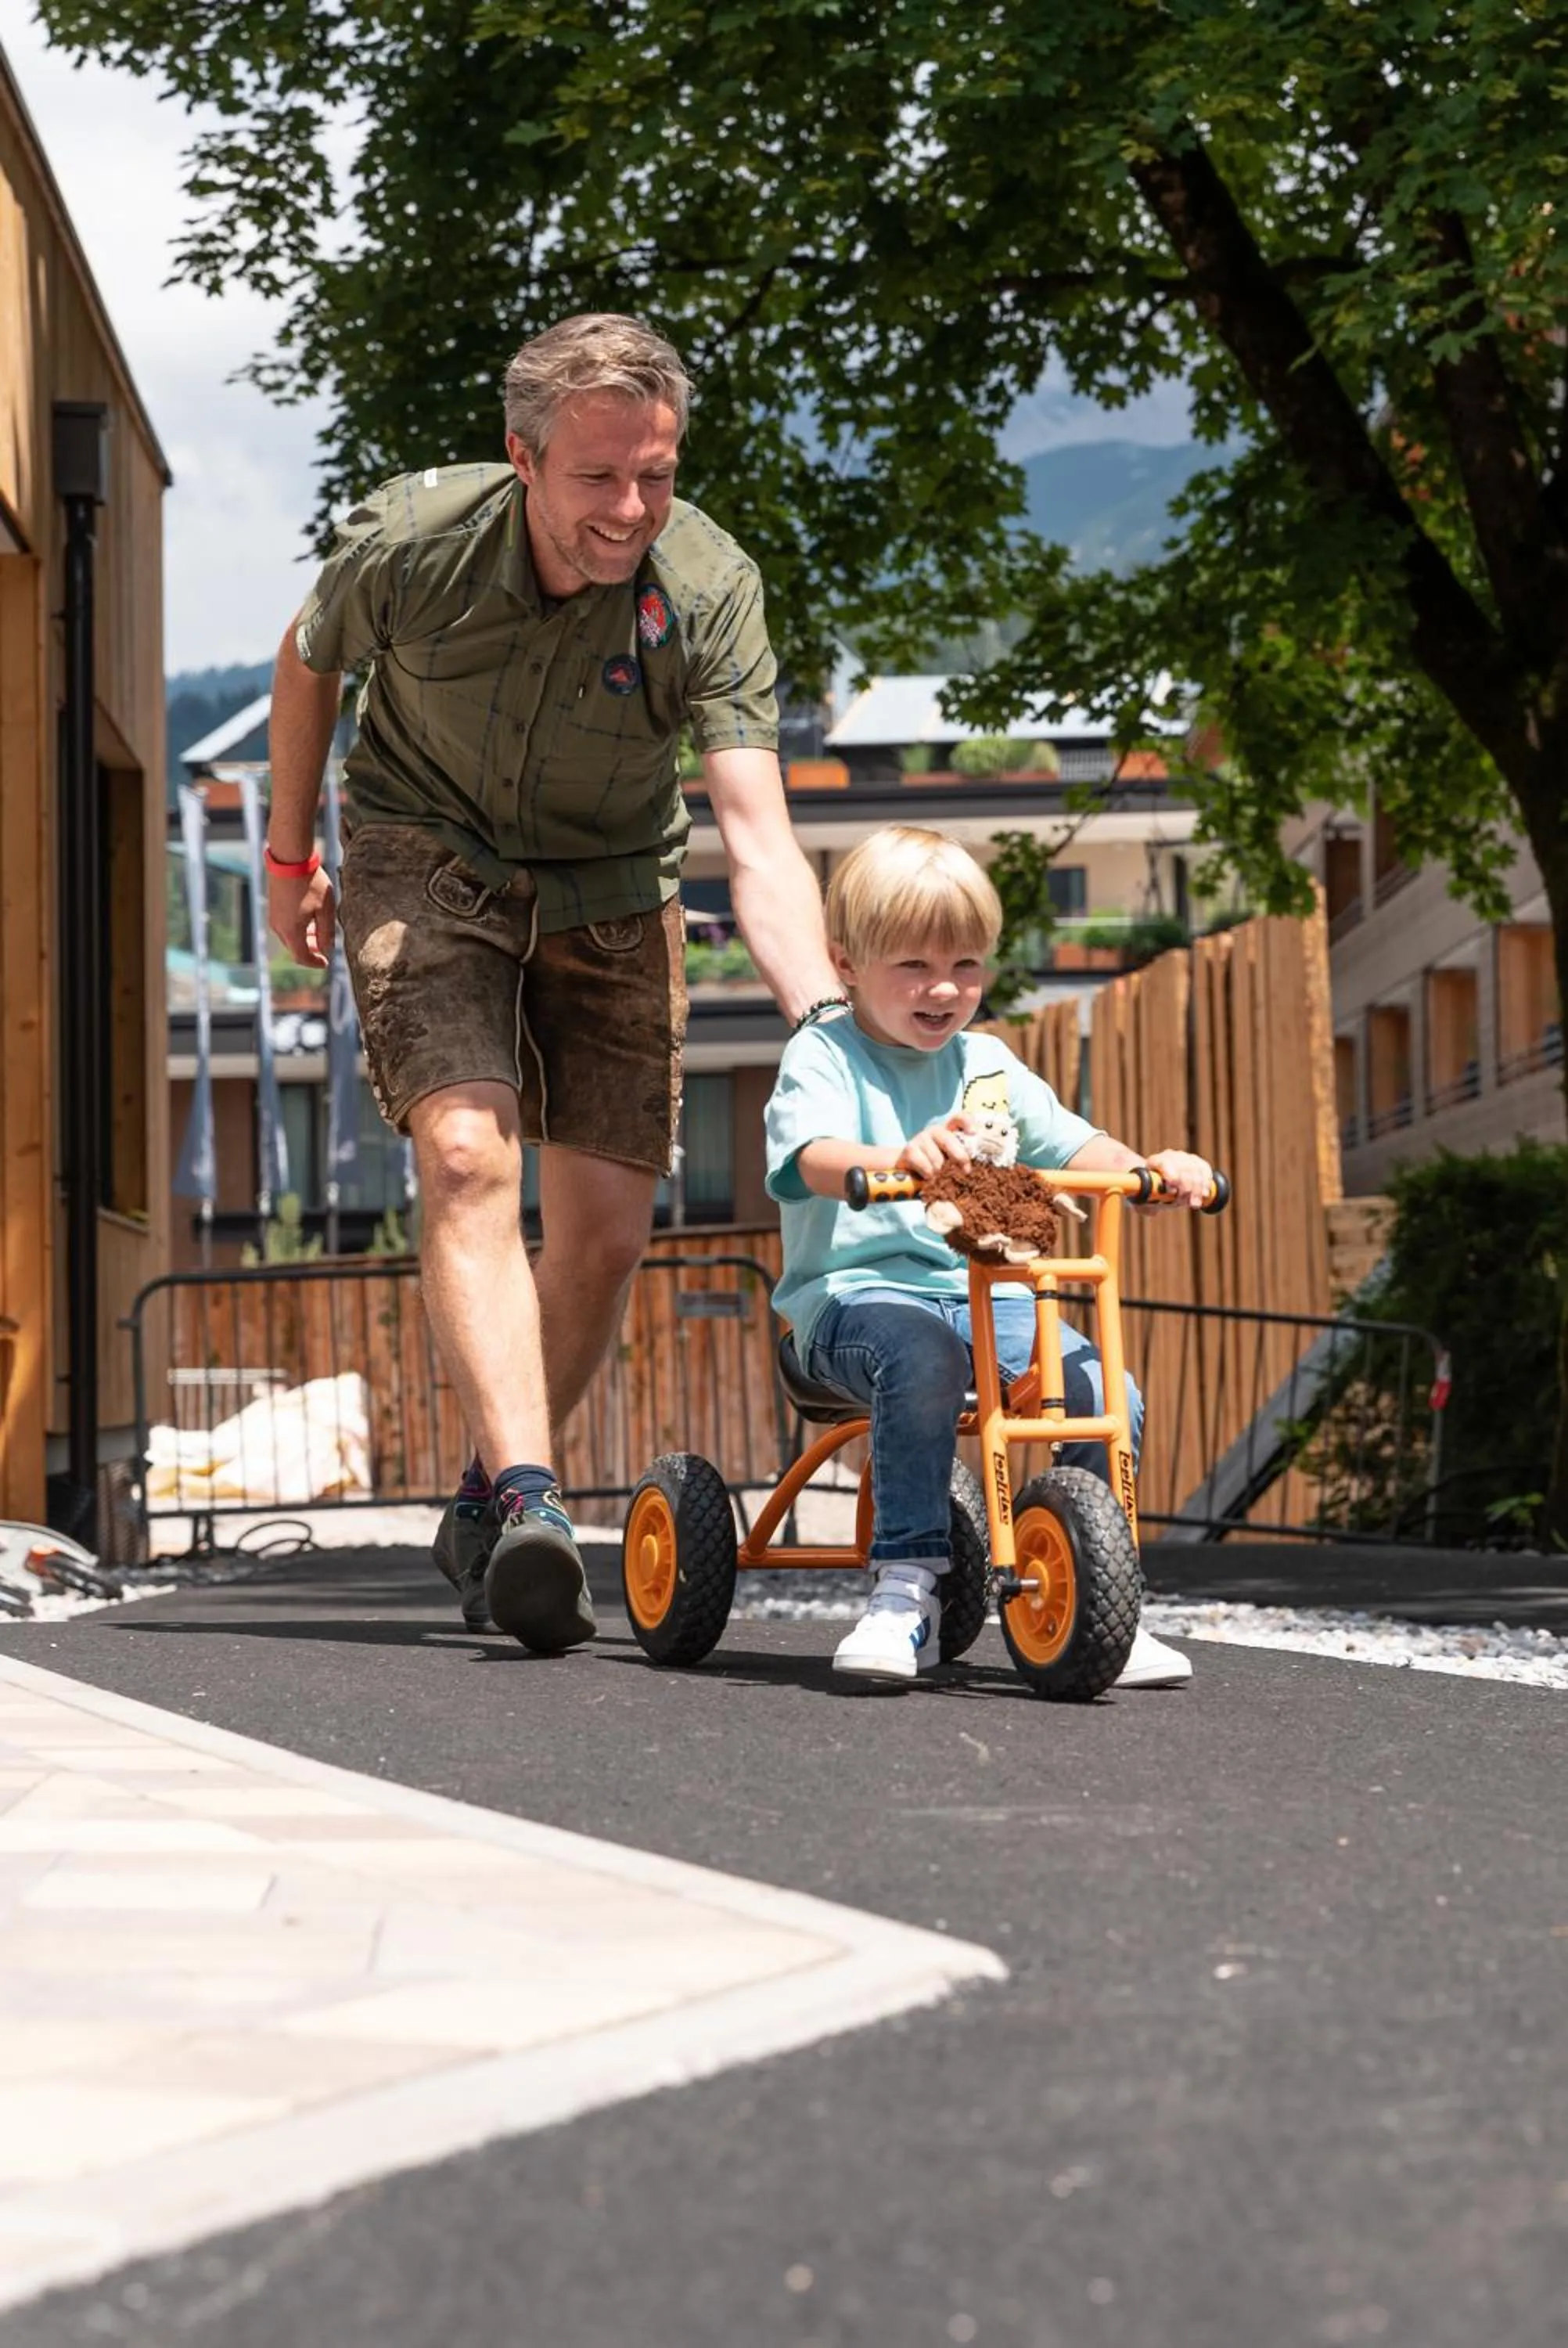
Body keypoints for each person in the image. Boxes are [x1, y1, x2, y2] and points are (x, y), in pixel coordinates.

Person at [265, 313, 845, 1653]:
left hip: (615, 884)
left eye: (654, 471)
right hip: (427, 853)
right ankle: (535, 1501)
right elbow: (308, 657)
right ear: (519, 459)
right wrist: (294, 852)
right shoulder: (414, 543)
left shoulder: (705, 586)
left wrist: (826, 1024)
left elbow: (757, 840)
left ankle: (485, 1494)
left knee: (602, 1230)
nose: (631, 507)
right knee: (467, 1156)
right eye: (598, 477)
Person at [764, 826, 1214, 1688]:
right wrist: (894, 1158)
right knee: (922, 1355)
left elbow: (1079, 1146)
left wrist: (1153, 1169)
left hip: (987, 1296)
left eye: (967, 965)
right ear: (846, 963)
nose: (945, 988)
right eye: (913, 966)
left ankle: (1098, 1590)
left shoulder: (989, 1065)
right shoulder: (822, 1055)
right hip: (848, 1303)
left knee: (1100, 1386)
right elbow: (811, 1157)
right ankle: (906, 1585)